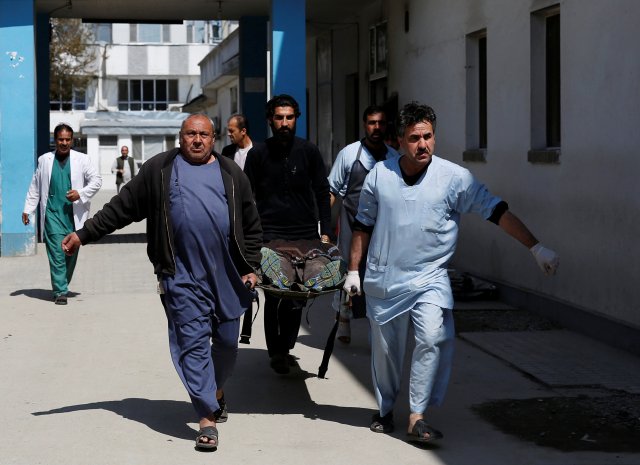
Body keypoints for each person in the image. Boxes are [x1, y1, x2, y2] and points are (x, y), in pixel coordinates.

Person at [344, 102, 559, 444]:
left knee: (432, 338)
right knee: (385, 353)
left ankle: (417, 416)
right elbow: (362, 225)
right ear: (399, 141)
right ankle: (385, 409)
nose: (423, 144)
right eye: (414, 138)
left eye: (428, 136)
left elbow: (496, 210)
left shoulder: (454, 178)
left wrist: (535, 247)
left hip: (430, 279)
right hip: (385, 279)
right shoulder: (379, 176)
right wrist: (353, 271)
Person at [61, 114, 262, 451]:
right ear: (179, 137)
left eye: (204, 135)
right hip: (180, 277)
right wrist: (84, 233)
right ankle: (207, 420)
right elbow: (121, 208)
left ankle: (215, 389)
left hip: (227, 276)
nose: (197, 140)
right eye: (190, 134)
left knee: (227, 344)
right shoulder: (160, 169)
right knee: (193, 345)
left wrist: (252, 266)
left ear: (213, 139)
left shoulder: (231, 173)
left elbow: (252, 223)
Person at [244, 94, 332, 375]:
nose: (284, 123)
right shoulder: (257, 155)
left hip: (305, 234)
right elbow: (247, 198)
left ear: (297, 119)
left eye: (289, 117)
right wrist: (248, 237)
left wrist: (326, 232)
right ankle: (277, 352)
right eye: (279, 118)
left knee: (298, 293)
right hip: (270, 235)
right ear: (270, 120)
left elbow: (321, 192)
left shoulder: (309, 152)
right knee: (275, 292)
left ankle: (287, 344)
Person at [328, 105, 399, 344]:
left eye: (380, 122)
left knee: (377, 276)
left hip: (381, 226)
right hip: (351, 222)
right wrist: (323, 228)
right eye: (371, 122)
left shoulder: (393, 157)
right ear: (364, 125)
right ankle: (344, 319)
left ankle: (374, 325)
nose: (376, 127)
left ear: (386, 125)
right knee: (348, 272)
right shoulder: (349, 154)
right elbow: (332, 191)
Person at [22, 123, 102, 305]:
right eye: (60, 139)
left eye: (67, 139)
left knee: (70, 252)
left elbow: (97, 181)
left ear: (72, 140)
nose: (64, 143)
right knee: (58, 252)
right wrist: (28, 208)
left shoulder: (82, 159)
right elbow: (35, 186)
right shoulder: (44, 160)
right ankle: (60, 290)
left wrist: (80, 193)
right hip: (52, 213)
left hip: (73, 215)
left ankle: (62, 282)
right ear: (55, 140)